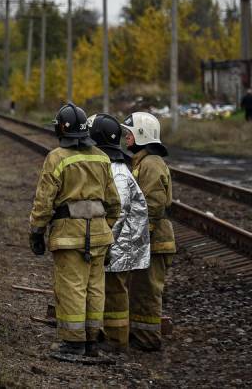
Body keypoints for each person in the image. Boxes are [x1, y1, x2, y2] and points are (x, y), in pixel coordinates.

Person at [29, 103, 121, 360]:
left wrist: (36, 231)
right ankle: (91, 341)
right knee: (94, 287)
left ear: (60, 129)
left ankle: (72, 343)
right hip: (100, 234)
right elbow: (114, 202)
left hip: (69, 235)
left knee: (72, 287)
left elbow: (44, 201)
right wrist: (107, 229)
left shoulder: (57, 158)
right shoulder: (102, 157)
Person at [87, 113, 150, 351]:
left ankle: (116, 341)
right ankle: (107, 335)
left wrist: (107, 242)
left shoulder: (117, 170)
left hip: (118, 243)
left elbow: (119, 210)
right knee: (106, 289)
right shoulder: (110, 165)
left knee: (114, 292)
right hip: (114, 240)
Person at [120, 112, 175, 351]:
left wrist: (141, 237)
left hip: (154, 240)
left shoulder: (151, 164)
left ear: (142, 134)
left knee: (147, 292)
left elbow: (152, 203)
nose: (126, 137)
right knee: (139, 289)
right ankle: (139, 335)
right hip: (148, 239)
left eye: (129, 133)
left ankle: (148, 340)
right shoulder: (142, 161)